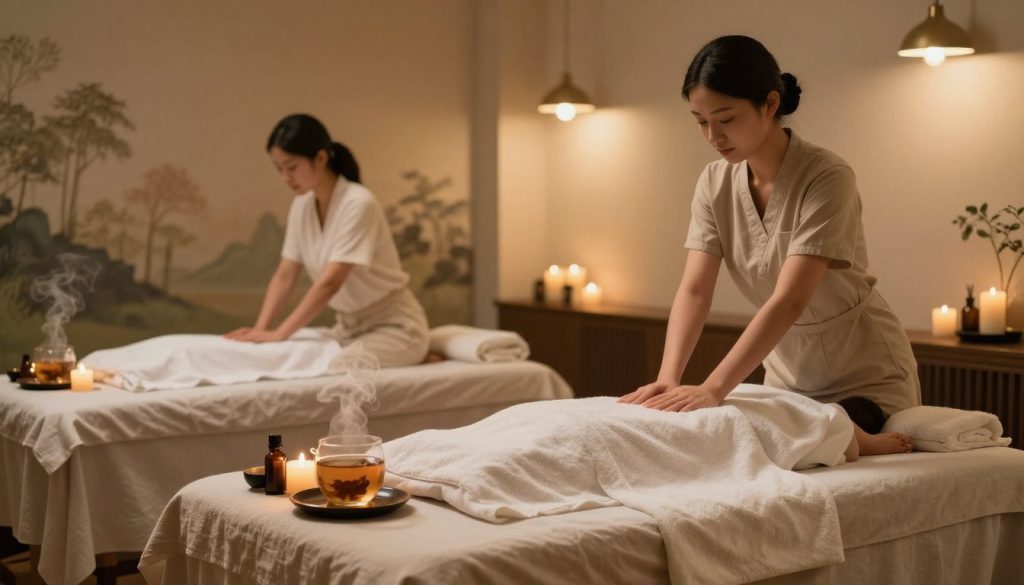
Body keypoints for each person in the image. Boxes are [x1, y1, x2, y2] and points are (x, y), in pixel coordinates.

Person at [618, 36, 918, 456]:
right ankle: (843, 436)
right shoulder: (714, 182)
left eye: (726, 119)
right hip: (787, 378)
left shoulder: (827, 176)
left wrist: (713, 387)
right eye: (700, 121)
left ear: (770, 105)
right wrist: (669, 377)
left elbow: (790, 299)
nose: (712, 136)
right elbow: (694, 290)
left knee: (814, 430)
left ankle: (864, 441)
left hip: (862, 373)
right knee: (746, 438)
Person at [225, 113, 430, 367]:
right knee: (286, 357)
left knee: (335, 366)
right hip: (348, 328)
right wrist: (261, 330)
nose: (286, 178)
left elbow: (330, 283)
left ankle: (418, 354)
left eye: (292, 167)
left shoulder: (358, 203)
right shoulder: (302, 205)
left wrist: (279, 334)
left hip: (395, 328)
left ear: (321, 158)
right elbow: (285, 273)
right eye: (279, 169)